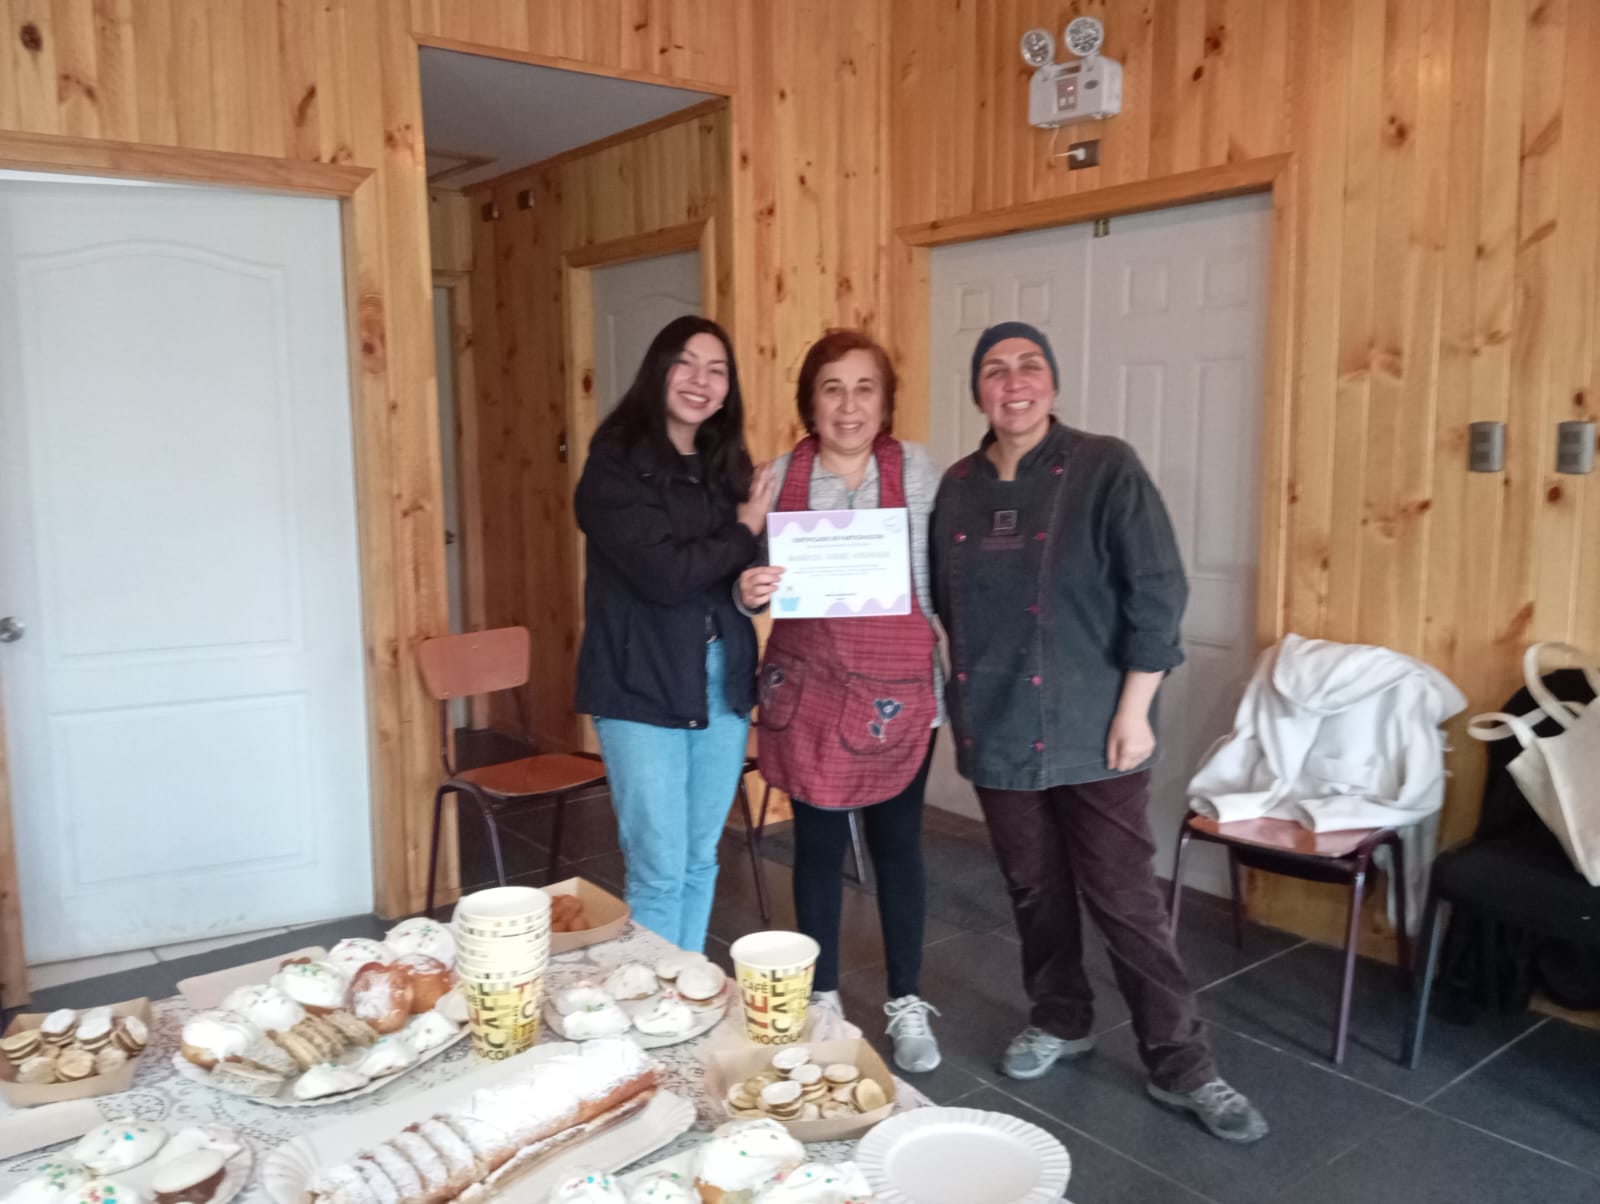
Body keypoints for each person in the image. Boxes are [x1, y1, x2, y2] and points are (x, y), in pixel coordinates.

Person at [929, 320, 1269, 1142]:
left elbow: (1157, 590)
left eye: (1029, 367)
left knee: (1125, 902)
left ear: (1053, 382)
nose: (1014, 382)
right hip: (1000, 726)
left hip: (1096, 727)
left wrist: (1134, 710)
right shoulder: (958, 486)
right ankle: (1061, 1018)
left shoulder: (1103, 464)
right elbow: (942, 597)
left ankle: (1184, 1066)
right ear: (977, 390)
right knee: (1036, 894)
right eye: (996, 371)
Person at [737, 329, 946, 1074]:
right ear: (809, 400)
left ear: (884, 401)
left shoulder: (916, 469)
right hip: (812, 690)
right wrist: (745, 587)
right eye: (832, 388)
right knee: (819, 848)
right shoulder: (781, 473)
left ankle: (906, 1000)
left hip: (898, 691)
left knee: (898, 849)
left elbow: (940, 577)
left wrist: (949, 683)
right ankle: (822, 994)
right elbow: (744, 570)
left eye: (864, 388)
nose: (848, 405)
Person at [574, 315, 774, 954]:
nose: (701, 381)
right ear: (659, 369)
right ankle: (650, 1016)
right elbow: (664, 575)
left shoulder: (727, 465)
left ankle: (683, 995)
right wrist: (745, 528)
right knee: (660, 871)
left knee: (699, 859)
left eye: (717, 371)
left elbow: (735, 571)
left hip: (722, 682)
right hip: (642, 686)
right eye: (686, 363)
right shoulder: (614, 466)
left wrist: (747, 586)